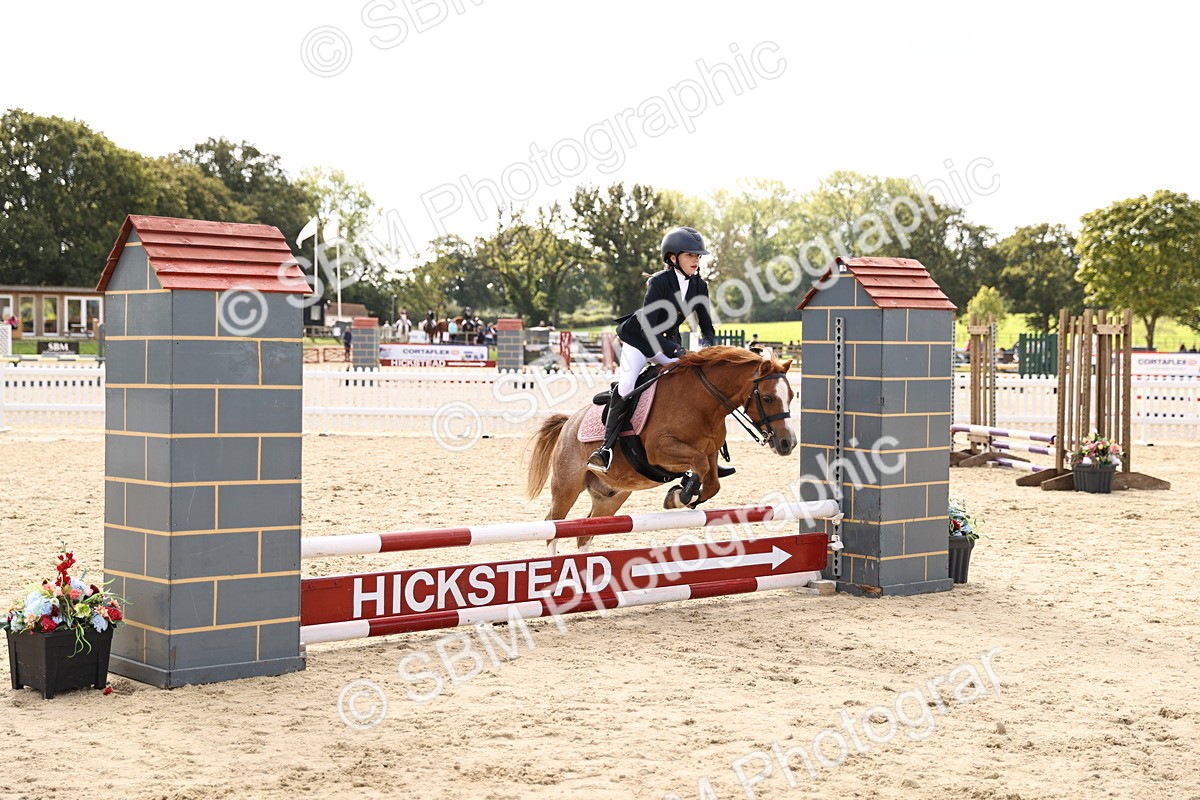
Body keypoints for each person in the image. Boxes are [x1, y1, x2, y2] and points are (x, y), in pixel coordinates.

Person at [587, 226, 718, 474]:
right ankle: (605, 449)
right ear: (673, 258)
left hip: (668, 342)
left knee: (695, 382)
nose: (696, 260)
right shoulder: (659, 282)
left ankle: (709, 452)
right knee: (627, 386)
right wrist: (678, 351)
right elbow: (648, 327)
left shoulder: (700, 286)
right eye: (691, 255)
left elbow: (707, 325)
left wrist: (708, 346)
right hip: (640, 341)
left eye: (698, 256)